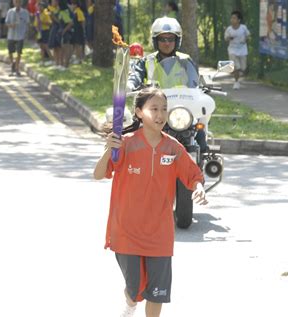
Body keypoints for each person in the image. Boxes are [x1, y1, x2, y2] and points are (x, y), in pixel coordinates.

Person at [93, 87, 207, 317]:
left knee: (157, 293)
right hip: (127, 231)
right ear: (138, 112)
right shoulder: (125, 144)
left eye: (164, 109)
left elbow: (193, 175)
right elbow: (98, 174)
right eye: (153, 109)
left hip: (159, 234)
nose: (160, 114)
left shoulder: (173, 147)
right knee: (135, 289)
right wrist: (109, 150)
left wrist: (200, 187)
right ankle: (130, 302)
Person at [127, 16, 208, 153]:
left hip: (181, 110)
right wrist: (130, 84)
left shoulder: (185, 60)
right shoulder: (147, 61)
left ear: (177, 41)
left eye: (171, 39)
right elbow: (136, 75)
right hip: (154, 111)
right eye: (162, 39)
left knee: (199, 131)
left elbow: (196, 83)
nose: (167, 43)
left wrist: (204, 88)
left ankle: (202, 163)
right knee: (133, 132)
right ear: (155, 40)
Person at [224, 10, 250, 90]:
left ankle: (240, 71)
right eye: (231, 18)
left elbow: (248, 36)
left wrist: (245, 40)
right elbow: (226, 39)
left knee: (243, 67)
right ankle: (236, 82)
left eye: (234, 18)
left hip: (242, 50)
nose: (232, 20)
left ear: (239, 20)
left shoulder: (243, 28)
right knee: (236, 67)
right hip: (232, 50)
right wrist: (229, 38)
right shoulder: (229, 29)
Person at [5, 0, 30, 76]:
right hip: (11, 35)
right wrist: (10, 25)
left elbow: (27, 23)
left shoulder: (25, 12)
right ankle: (12, 64)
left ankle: (17, 68)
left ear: (21, 3)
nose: (17, 3)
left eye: (19, 2)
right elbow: (6, 23)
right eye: (16, 2)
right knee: (10, 51)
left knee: (19, 52)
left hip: (20, 35)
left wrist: (26, 33)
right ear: (13, 3)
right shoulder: (10, 11)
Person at [34, 1, 52, 65]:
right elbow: (36, 23)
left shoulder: (46, 13)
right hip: (40, 31)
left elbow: (50, 23)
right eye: (38, 6)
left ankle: (52, 59)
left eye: (40, 6)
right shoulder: (37, 14)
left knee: (46, 46)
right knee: (41, 46)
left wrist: (42, 22)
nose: (39, 8)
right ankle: (42, 60)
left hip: (45, 31)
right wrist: (37, 29)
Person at [69, 0, 85, 64]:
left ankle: (79, 59)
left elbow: (83, 21)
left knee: (78, 44)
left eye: (73, 4)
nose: (72, 6)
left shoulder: (79, 11)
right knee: (75, 44)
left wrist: (83, 30)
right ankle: (75, 57)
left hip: (79, 30)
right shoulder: (75, 12)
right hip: (75, 30)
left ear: (76, 5)